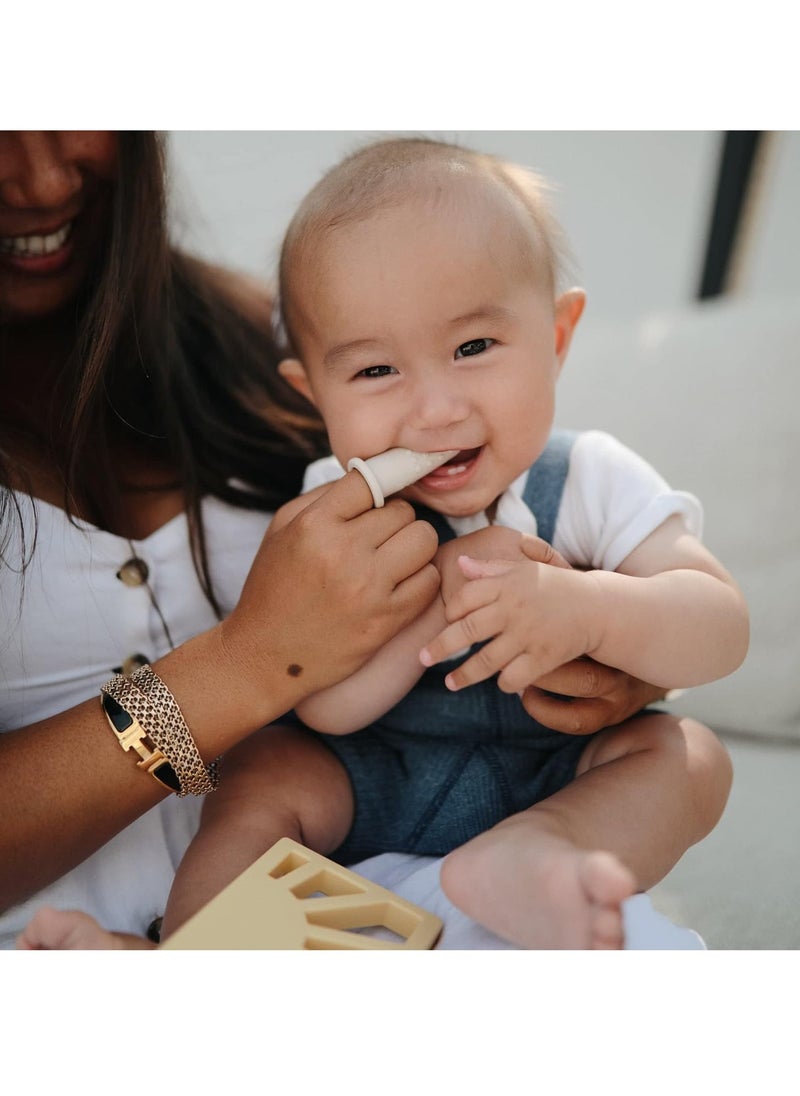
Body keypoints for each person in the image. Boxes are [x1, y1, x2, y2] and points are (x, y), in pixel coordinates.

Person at [2, 131, 666, 951]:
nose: (39, 177)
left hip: (379, 899)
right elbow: (299, 686)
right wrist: (244, 666)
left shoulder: (276, 338)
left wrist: (620, 646)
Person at [149, 136, 745, 951]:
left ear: (559, 335)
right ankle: (199, 942)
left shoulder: (590, 478)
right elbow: (325, 704)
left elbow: (718, 629)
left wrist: (588, 606)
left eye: (473, 348)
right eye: (374, 372)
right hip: (368, 780)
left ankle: (537, 858)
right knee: (263, 772)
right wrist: (437, 585)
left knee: (690, 757)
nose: (434, 409)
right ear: (312, 392)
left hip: (550, 780)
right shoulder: (334, 508)